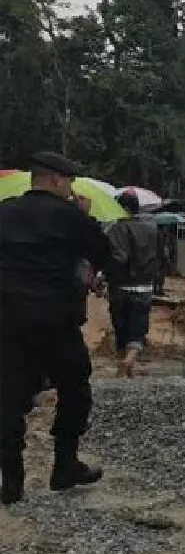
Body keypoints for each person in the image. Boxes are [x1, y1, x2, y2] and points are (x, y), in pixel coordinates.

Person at [0, 152, 113, 506]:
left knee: (7, 396)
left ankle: (11, 481)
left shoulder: (4, 211)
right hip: (56, 320)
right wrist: (85, 217)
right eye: (69, 182)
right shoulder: (70, 216)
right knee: (74, 385)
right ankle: (64, 465)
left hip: (9, 319)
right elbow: (104, 253)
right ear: (55, 180)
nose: (70, 188)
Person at [105, 191, 160, 377]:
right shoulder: (152, 229)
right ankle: (130, 362)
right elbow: (161, 258)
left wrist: (104, 274)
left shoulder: (117, 228)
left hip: (120, 287)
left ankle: (122, 364)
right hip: (144, 287)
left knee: (121, 329)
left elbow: (118, 258)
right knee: (138, 329)